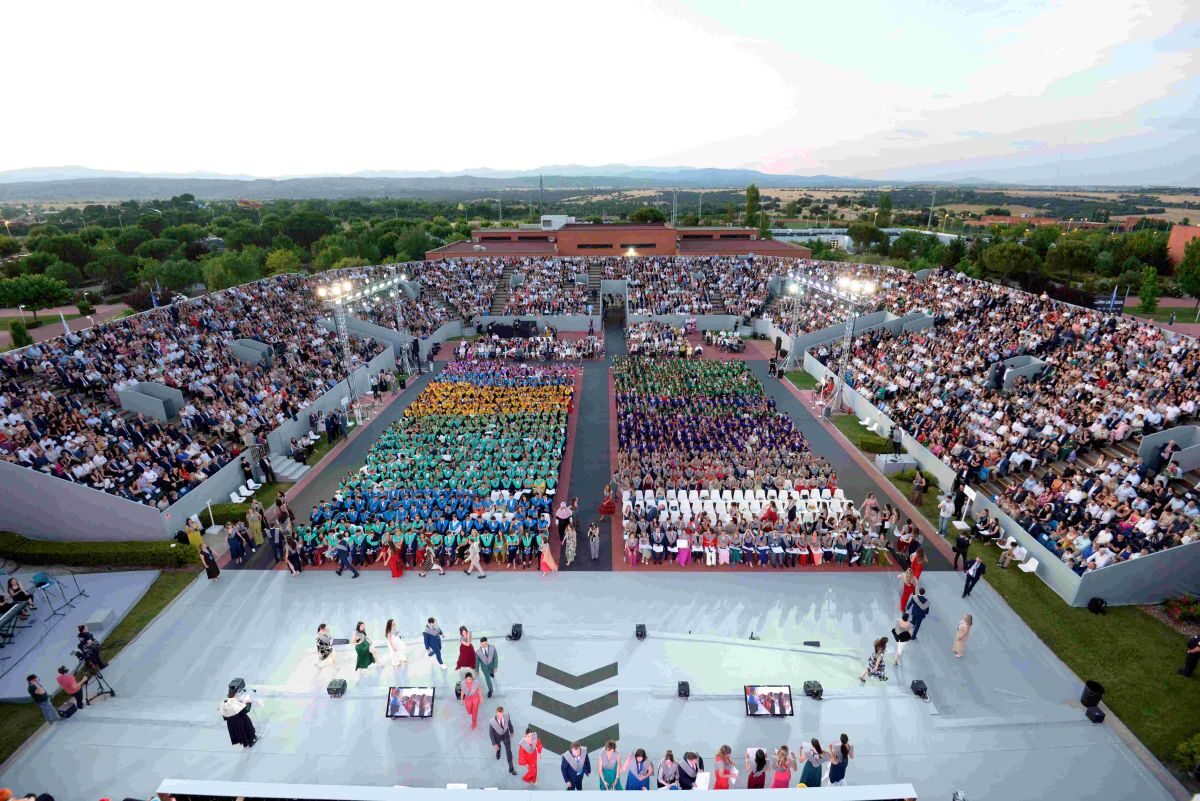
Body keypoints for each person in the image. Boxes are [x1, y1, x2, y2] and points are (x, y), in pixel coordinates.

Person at [489, 706, 518, 775]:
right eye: (499, 715)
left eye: (502, 715)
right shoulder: (492, 722)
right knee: (498, 746)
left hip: (506, 735)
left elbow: (509, 723)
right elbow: (491, 733)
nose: (500, 717)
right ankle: (498, 751)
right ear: (496, 713)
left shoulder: (506, 716)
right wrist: (494, 743)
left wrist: (511, 731)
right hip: (497, 736)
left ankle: (511, 768)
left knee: (509, 751)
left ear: (503, 713)